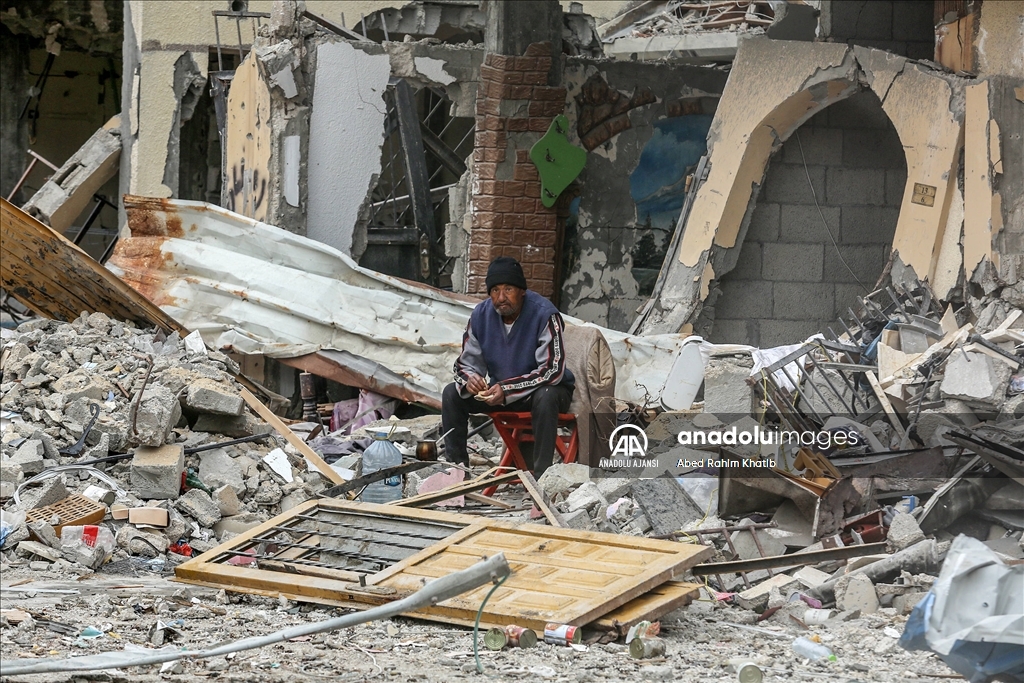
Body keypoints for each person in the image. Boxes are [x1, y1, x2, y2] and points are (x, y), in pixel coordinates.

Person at [441, 256, 575, 478]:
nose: (501, 298)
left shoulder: (544, 314)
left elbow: (552, 369)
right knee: (451, 394)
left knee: (547, 395)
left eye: (508, 289)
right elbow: (464, 364)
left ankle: (542, 479)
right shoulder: (480, 315)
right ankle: (458, 474)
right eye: (494, 291)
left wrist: (507, 389)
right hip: (501, 394)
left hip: (544, 392)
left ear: (522, 290)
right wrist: (471, 379)